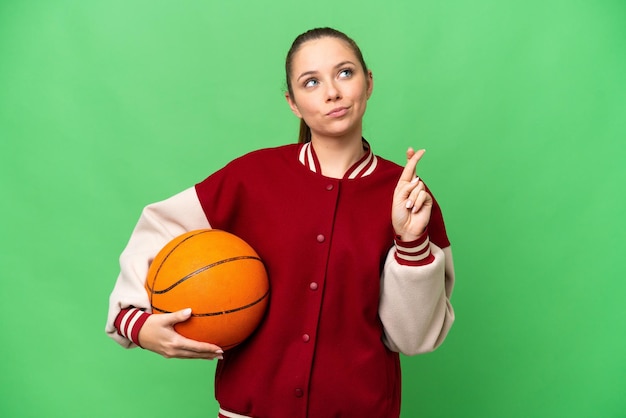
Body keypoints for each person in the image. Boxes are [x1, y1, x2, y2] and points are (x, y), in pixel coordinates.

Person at [106, 27, 455, 418]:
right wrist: (135, 322)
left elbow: (413, 338)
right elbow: (159, 226)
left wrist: (410, 241)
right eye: (311, 82)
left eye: (345, 73)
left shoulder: (407, 195)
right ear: (293, 103)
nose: (332, 93)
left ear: (368, 82)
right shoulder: (252, 177)